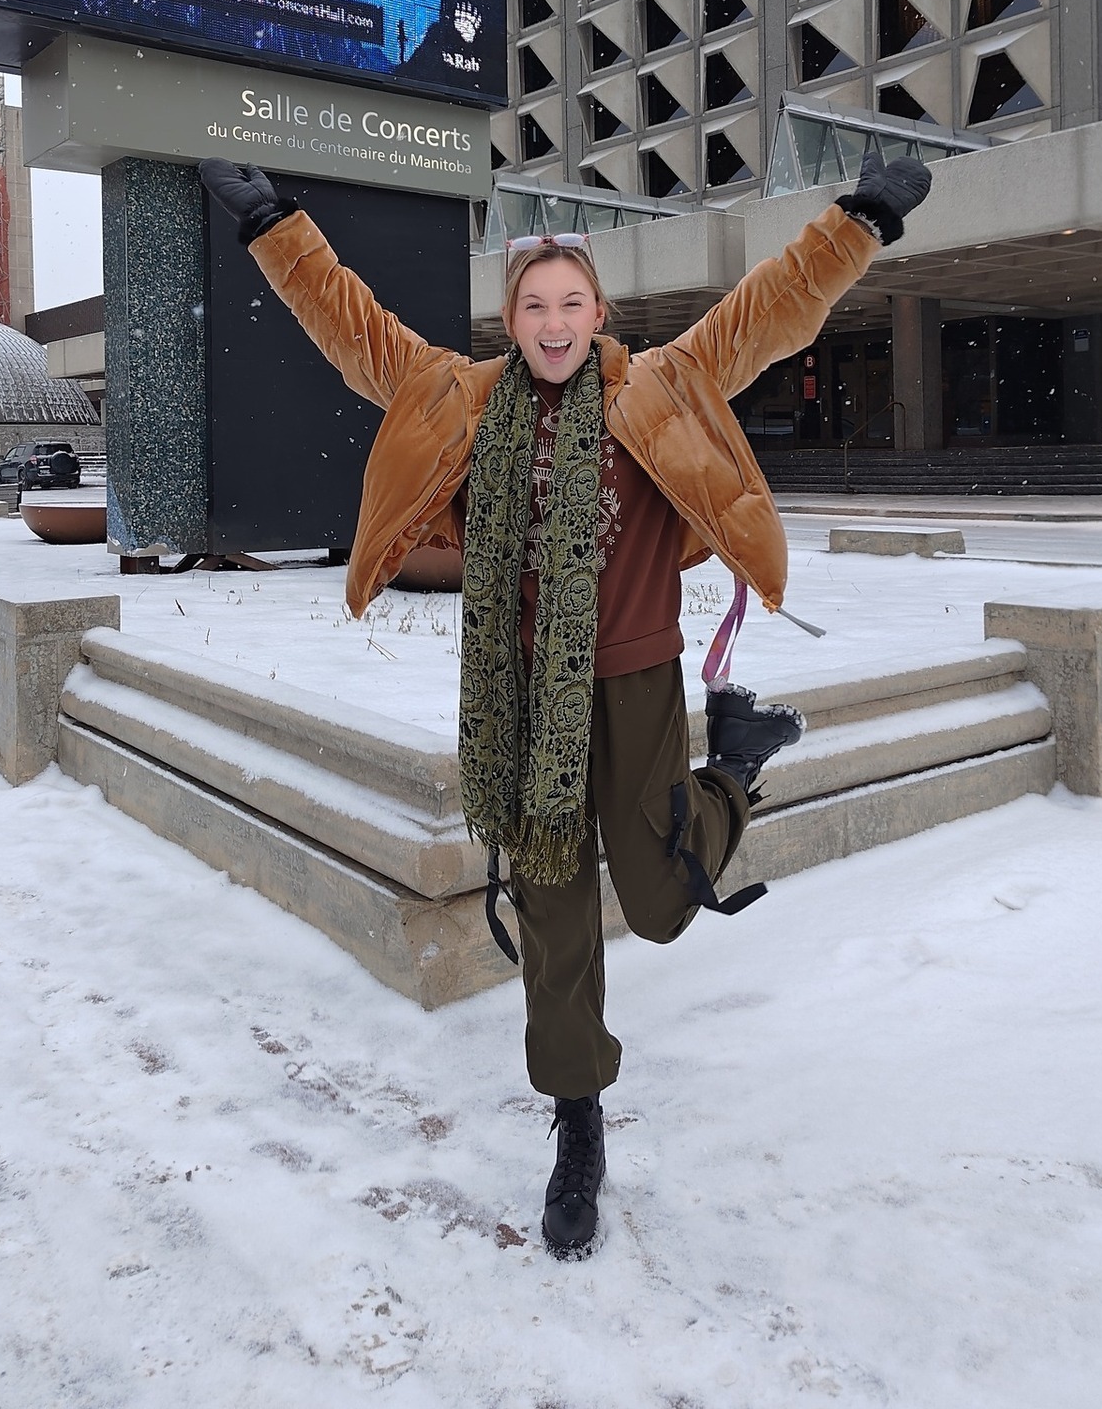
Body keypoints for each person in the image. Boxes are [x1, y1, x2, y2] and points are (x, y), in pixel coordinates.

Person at [199, 149, 932, 1258]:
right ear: (514, 316)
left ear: (599, 312)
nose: (553, 322)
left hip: (633, 680)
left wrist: (860, 219)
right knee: (553, 919)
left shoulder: (662, 382)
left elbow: (771, 311)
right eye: (534, 304)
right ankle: (577, 1120)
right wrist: (276, 229)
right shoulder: (461, 396)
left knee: (659, 895)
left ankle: (734, 765)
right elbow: (351, 327)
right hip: (519, 694)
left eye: (571, 303)